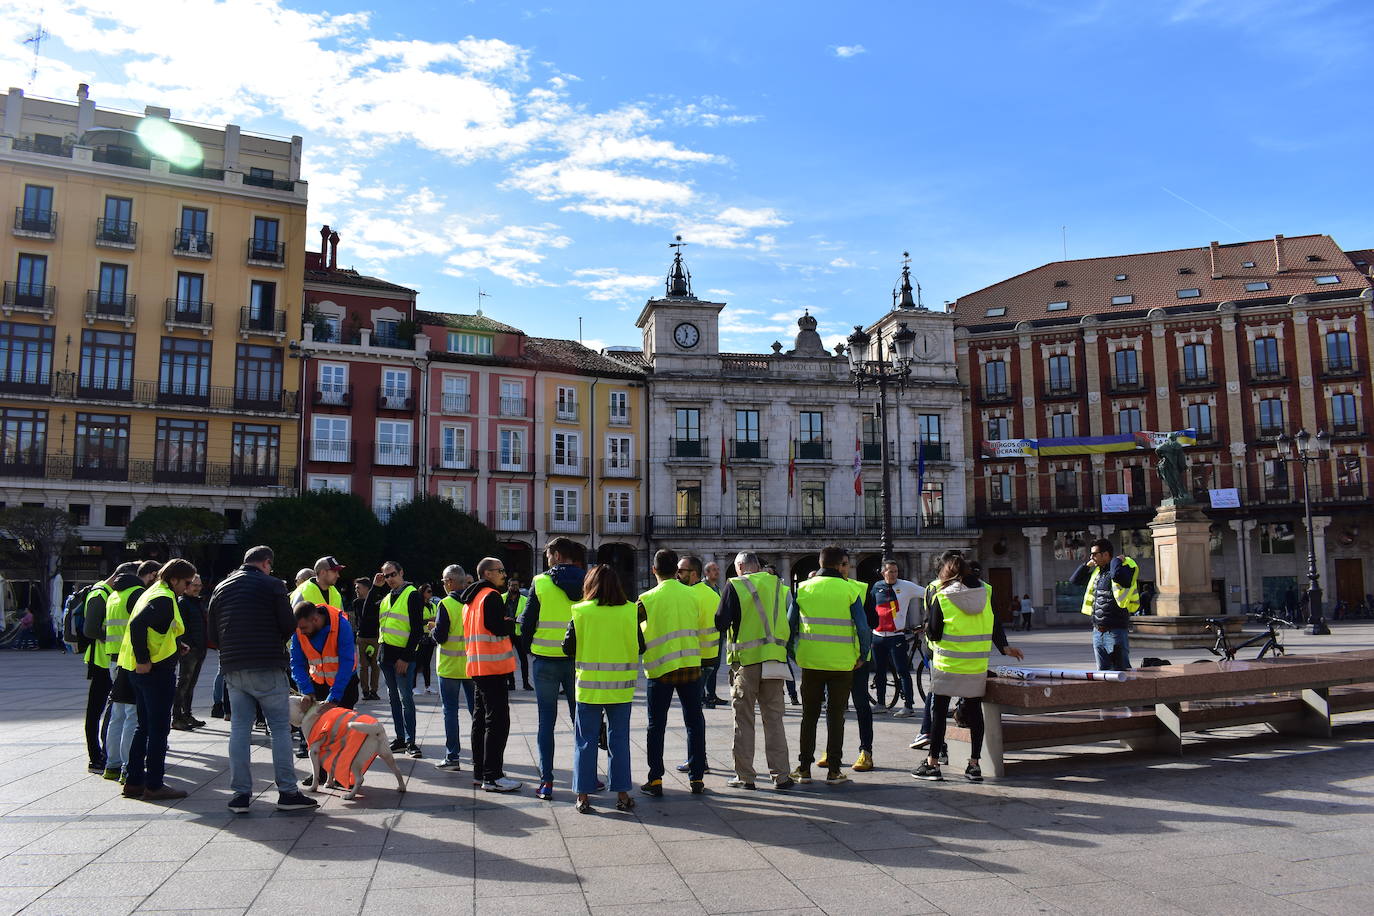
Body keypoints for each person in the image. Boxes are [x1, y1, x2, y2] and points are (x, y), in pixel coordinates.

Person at [209, 545, 317, 814]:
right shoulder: (272, 585)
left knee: (240, 730)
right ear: (266, 563)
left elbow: (211, 631)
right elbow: (287, 625)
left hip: (233, 667)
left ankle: (240, 795)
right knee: (280, 728)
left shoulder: (221, 587)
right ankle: (288, 792)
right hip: (267, 664)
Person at [913, 553, 1024, 783]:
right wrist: (1004, 647)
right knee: (975, 714)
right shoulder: (986, 592)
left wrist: (926, 632)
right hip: (976, 664)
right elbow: (993, 622)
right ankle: (974, 765)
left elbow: (933, 633)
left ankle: (933, 763)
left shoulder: (942, 597)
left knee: (939, 713)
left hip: (947, 664)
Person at [788, 545, 871, 786]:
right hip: (842, 663)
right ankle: (834, 770)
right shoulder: (848, 590)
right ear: (840, 565)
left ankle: (804, 768)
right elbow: (863, 628)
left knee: (809, 716)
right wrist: (863, 655)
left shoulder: (803, 588)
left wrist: (794, 653)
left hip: (811, 662)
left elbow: (789, 625)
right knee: (836, 716)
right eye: (846, 563)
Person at [563, 564, 642, 814]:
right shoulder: (631, 611)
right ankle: (622, 793)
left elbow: (568, 647)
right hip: (621, 688)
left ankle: (583, 796)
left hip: (588, 688)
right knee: (618, 741)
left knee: (585, 741)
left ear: (590, 585)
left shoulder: (580, 611)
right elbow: (642, 646)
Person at [118, 558, 198, 801]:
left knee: (144, 726)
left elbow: (156, 629)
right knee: (158, 729)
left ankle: (134, 782)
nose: (188, 587)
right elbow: (139, 625)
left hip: (140, 669)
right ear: (174, 579)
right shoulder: (163, 597)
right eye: (186, 582)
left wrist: (175, 645)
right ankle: (154, 784)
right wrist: (144, 659)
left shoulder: (154, 591)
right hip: (154, 672)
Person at [717, 551, 793, 790]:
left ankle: (745, 776)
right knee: (774, 721)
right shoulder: (779, 586)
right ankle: (781, 776)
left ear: (740, 566)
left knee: (744, 720)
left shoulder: (735, 585)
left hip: (747, 662)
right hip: (775, 661)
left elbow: (720, 621)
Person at [518, 537, 585, 801]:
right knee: (581, 720)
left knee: (546, 722)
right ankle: (586, 778)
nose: (546, 559)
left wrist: (529, 649)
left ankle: (547, 781)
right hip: (576, 660)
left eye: (548, 555)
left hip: (545, 660)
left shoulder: (541, 581)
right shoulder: (587, 579)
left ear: (556, 555)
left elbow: (527, 621)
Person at [638, 548, 706, 797]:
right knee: (694, 722)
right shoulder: (693, 595)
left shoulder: (646, 599)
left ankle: (655, 779)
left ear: (654, 569)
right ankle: (697, 777)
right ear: (676, 571)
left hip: (660, 669)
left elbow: (637, 632)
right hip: (690, 665)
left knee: (656, 725)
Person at [464, 557, 521, 792]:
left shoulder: (470, 598)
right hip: (494, 668)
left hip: (477, 667)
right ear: (487, 573)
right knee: (497, 722)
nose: (504, 575)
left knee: (480, 720)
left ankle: (480, 772)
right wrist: (509, 622)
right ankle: (493, 776)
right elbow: (497, 627)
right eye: (500, 571)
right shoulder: (491, 596)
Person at [101, 560, 160, 783]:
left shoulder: (114, 594)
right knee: (132, 716)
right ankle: (128, 767)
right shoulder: (137, 593)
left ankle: (112, 764)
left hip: (114, 659)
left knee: (117, 715)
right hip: (131, 660)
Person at [290, 599, 359, 786]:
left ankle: (345, 776)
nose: (302, 632)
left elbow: (346, 662)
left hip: (344, 686)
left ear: (315, 619)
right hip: (318, 685)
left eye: (304, 628)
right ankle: (320, 773)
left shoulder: (340, 625)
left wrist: (334, 698)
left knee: (343, 733)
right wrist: (307, 691)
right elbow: (296, 662)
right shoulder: (299, 629)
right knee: (318, 733)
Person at [366, 560, 426, 757]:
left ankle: (410, 741)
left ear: (401, 573)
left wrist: (406, 658)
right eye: (386, 576)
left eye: (392, 574)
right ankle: (400, 739)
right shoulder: (387, 597)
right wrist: (375, 586)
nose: (390, 579)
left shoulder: (412, 594)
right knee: (393, 698)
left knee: (406, 698)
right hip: (386, 656)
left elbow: (417, 630)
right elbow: (367, 615)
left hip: (403, 658)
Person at [674, 554, 720, 774]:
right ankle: (699, 759)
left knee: (692, 714)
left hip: (695, 659)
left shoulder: (689, 595)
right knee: (696, 712)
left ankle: (698, 761)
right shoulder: (712, 594)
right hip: (711, 657)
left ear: (693, 573)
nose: (677, 574)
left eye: (681, 570)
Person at [1070, 538, 1140, 671]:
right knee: (1102, 673)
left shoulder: (1124, 567)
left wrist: (1116, 561)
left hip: (1115, 632)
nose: (1092, 557)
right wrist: (1087, 565)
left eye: (1095, 554)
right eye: (1091, 554)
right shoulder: (1097, 573)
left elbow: (1118, 576)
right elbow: (1074, 581)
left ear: (1106, 554)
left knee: (1121, 671)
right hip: (1097, 631)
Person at [433, 564, 476, 771]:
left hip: (449, 667)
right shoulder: (473, 601)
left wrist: (432, 631)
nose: (442, 585)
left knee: (450, 711)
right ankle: (480, 755)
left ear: (450, 582)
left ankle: (453, 757)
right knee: (476, 711)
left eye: (443, 581)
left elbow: (440, 636)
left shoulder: (446, 604)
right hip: (472, 666)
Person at [79, 569, 118, 774]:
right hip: (100, 661)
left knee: (106, 709)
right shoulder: (99, 593)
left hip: (107, 660)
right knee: (95, 710)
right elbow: (90, 630)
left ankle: (104, 753)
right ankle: (95, 757)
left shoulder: (108, 593)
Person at [870, 560, 921, 718]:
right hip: (877, 636)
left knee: (902, 671)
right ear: (883, 572)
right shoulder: (876, 587)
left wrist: (927, 620)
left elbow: (929, 593)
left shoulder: (906, 586)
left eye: (896, 571)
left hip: (896, 636)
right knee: (879, 672)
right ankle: (880, 704)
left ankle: (908, 706)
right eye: (890, 571)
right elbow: (871, 607)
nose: (893, 575)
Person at [171, 574, 207, 731]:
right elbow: (181, 628)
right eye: (194, 585)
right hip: (189, 649)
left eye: (199, 585)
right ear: (186, 586)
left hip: (200, 648)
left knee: (191, 684)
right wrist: (187, 645)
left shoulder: (197, 602)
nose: (197, 588)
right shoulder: (183, 603)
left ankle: (187, 714)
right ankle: (177, 717)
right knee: (184, 683)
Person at [700, 560, 726, 705]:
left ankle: (711, 694)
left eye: (717, 569)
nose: (717, 571)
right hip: (704, 634)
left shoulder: (718, 589)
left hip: (717, 633)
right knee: (704, 666)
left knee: (715, 665)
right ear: (706, 573)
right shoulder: (702, 589)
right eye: (713, 569)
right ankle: (702, 695)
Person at [352, 577, 380, 701]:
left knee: (375, 665)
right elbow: (358, 619)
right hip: (362, 637)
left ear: (367, 588)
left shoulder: (377, 601)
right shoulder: (356, 602)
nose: (356, 590)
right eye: (355, 587)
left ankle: (374, 691)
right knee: (363, 666)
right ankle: (365, 691)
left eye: (358, 587)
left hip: (375, 638)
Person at [506, 576, 532, 691]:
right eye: (512, 585)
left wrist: (515, 619)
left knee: (523, 659)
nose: (514, 587)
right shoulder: (501, 598)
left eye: (516, 585)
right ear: (508, 586)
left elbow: (526, 616)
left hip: (519, 633)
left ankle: (526, 683)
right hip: (506, 632)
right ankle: (511, 683)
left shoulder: (524, 600)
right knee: (508, 659)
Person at [415, 584, 437, 695]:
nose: (430, 593)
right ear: (422, 592)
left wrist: (434, 621)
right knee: (417, 662)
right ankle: (413, 687)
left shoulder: (433, 605)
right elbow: (416, 621)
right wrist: (429, 620)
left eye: (431, 591)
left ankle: (427, 686)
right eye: (428, 591)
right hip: (421, 637)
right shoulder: (418, 605)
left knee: (427, 663)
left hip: (430, 637)